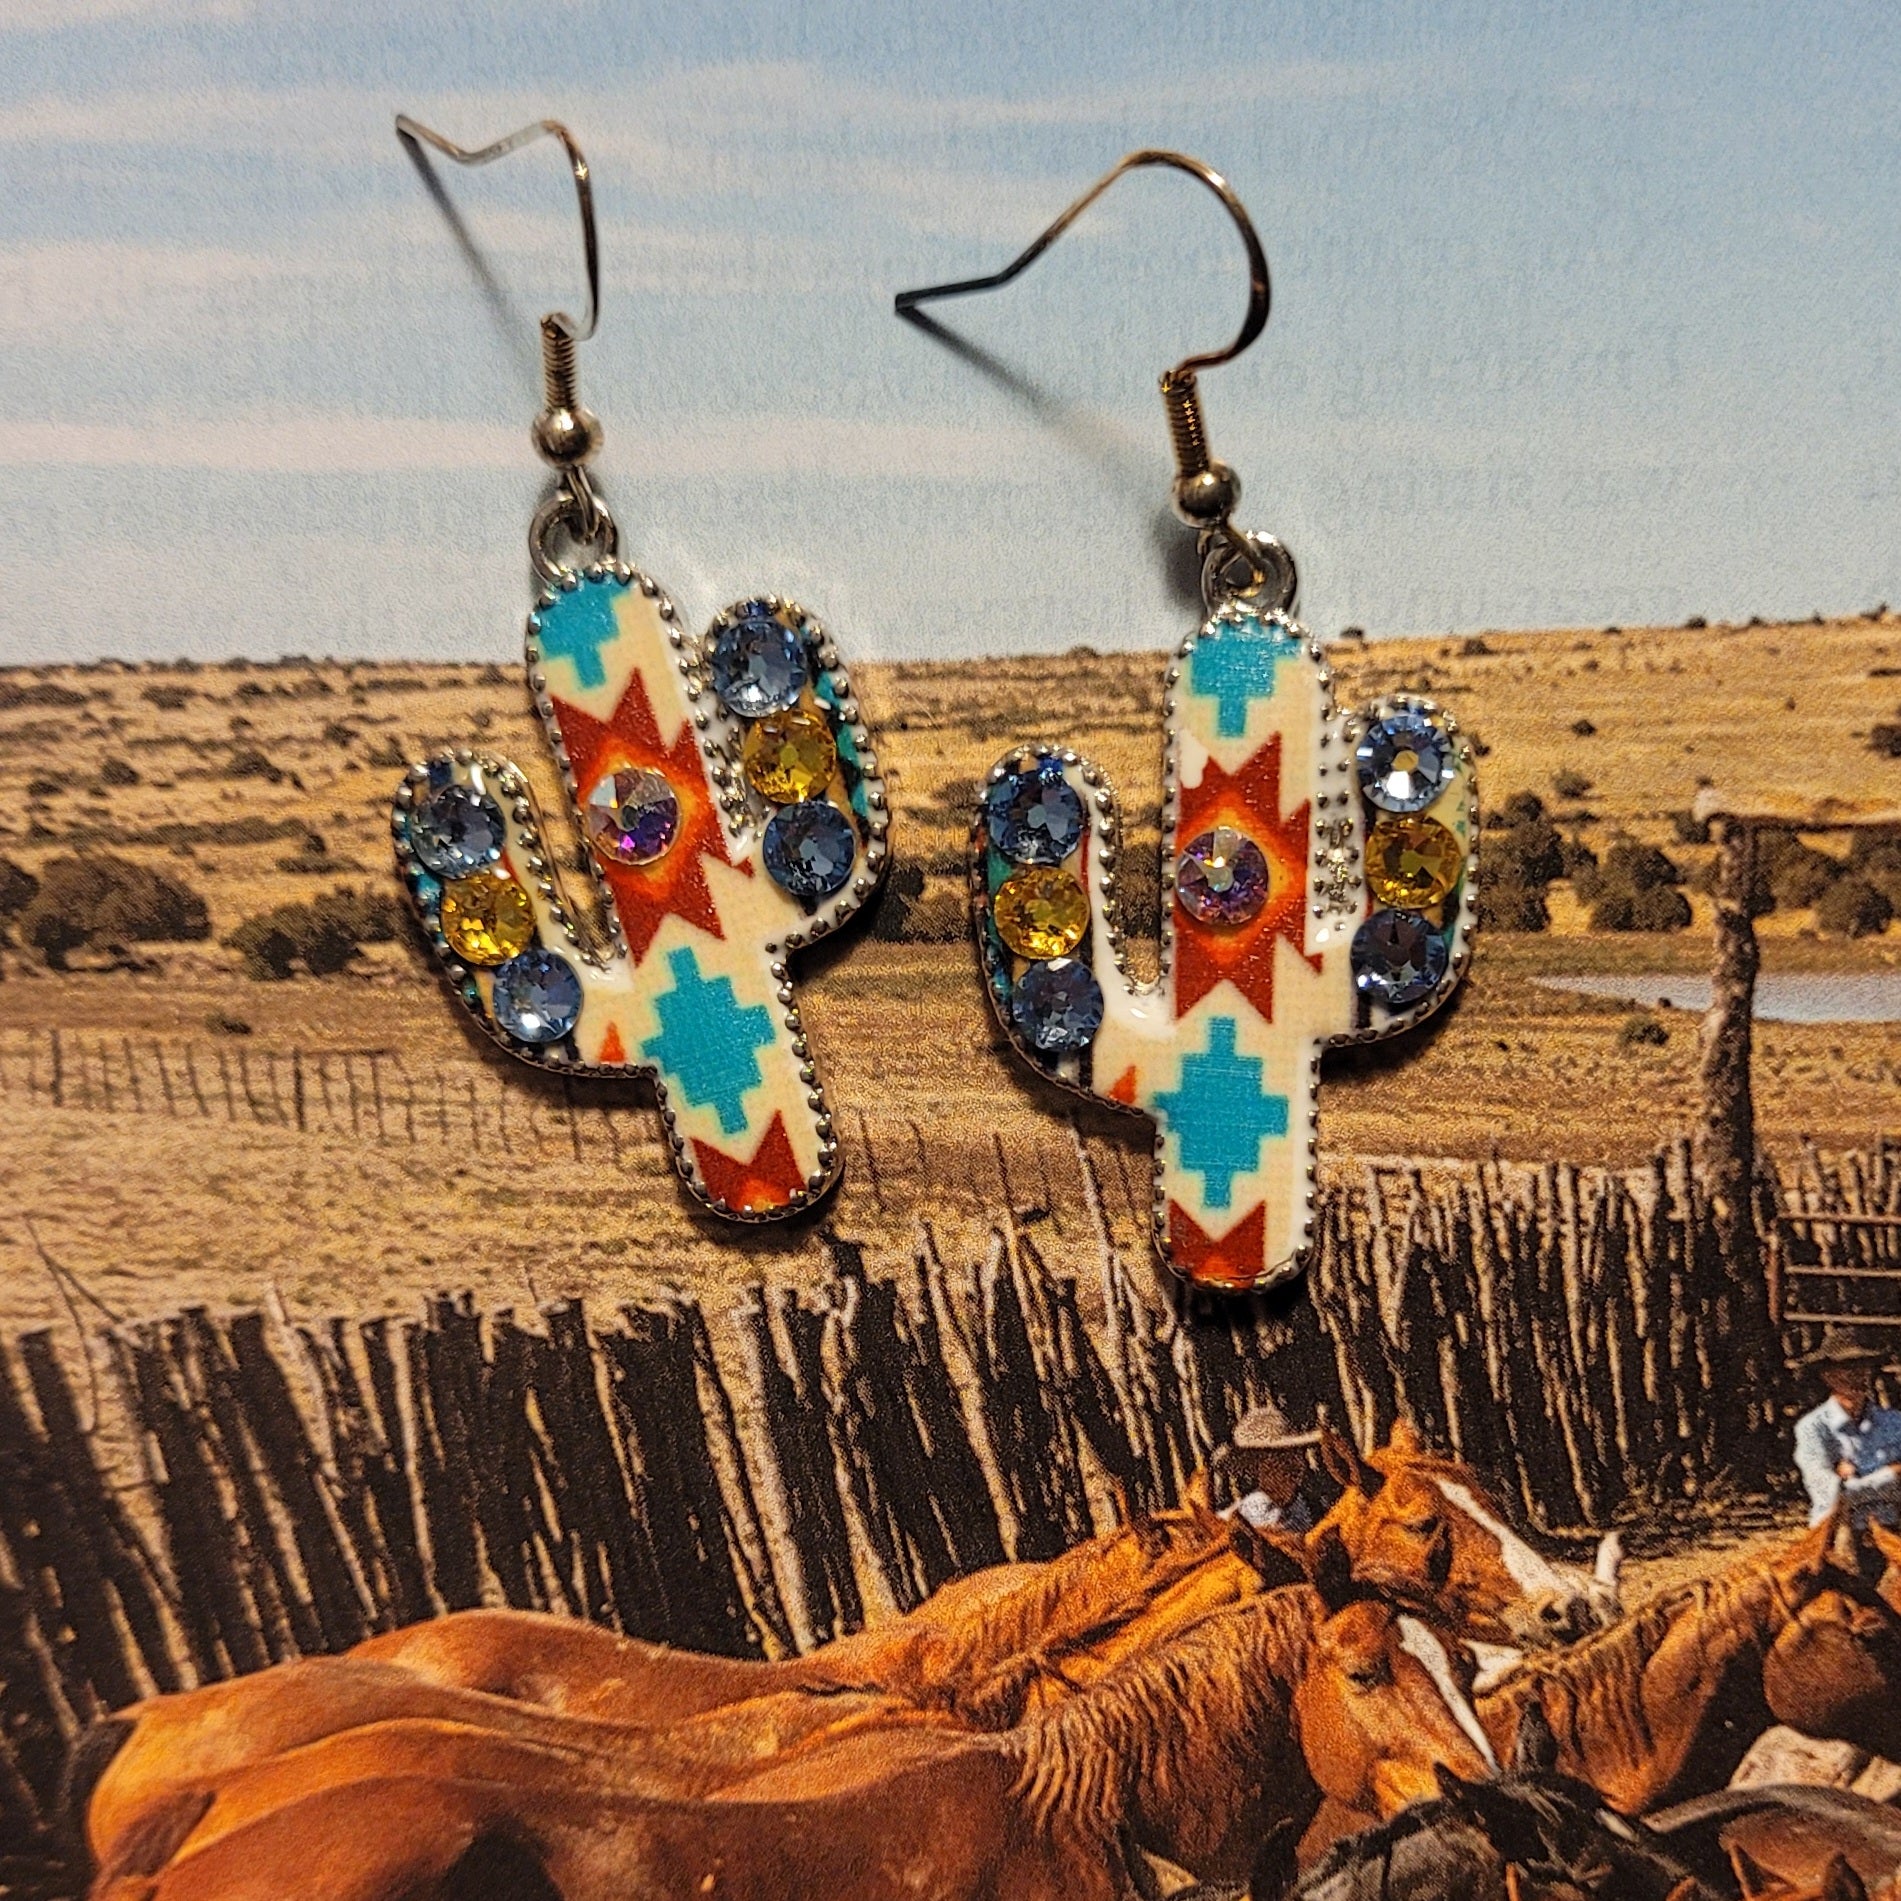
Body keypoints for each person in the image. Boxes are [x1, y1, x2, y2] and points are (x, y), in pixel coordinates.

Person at [1791, 1324, 1901, 1528]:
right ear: (1828, 1376)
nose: (1858, 1375)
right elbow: (1830, 1495)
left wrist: (1854, 1478)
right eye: (1848, 1368)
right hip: (1838, 1531)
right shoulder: (1813, 1428)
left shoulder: (1894, 1423)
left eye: (1863, 1366)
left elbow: (1845, 1491)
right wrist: (1892, 1475)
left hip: (1893, 1527)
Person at [1215, 1401, 1322, 1534]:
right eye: (1277, 1458)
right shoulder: (1234, 1520)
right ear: (1256, 1466)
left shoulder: (1317, 1510)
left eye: (1296, 1453)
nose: (1291, 1463)